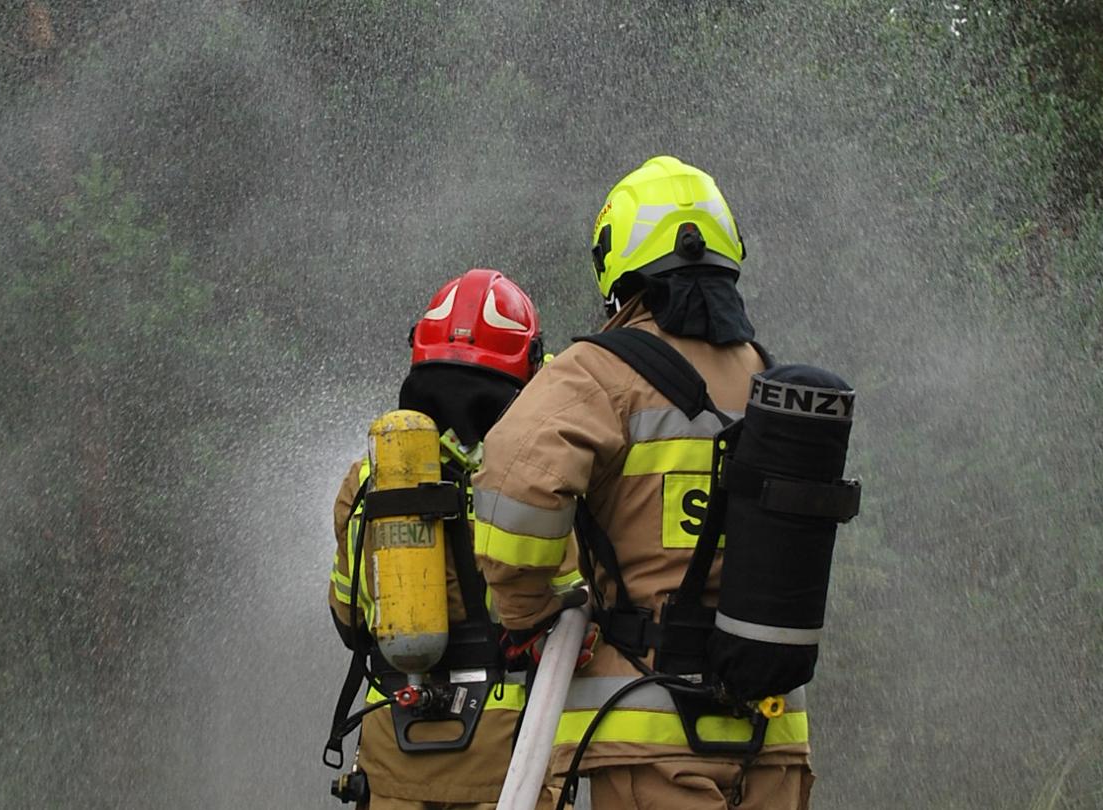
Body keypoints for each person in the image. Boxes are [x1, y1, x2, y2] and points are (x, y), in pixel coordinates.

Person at [473, 157, 814, 809]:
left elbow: (511, 492)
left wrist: (532, 611)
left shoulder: (599, 372)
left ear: (619, 260)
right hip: (774, 738)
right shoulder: (774, 383)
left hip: (649, 731)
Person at [326, 268, 574, 810]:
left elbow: (350, 621)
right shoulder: (537, 480)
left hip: (391, 753)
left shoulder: (369, 479)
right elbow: (576, 613)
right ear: (526, 365)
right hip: (506, 762)